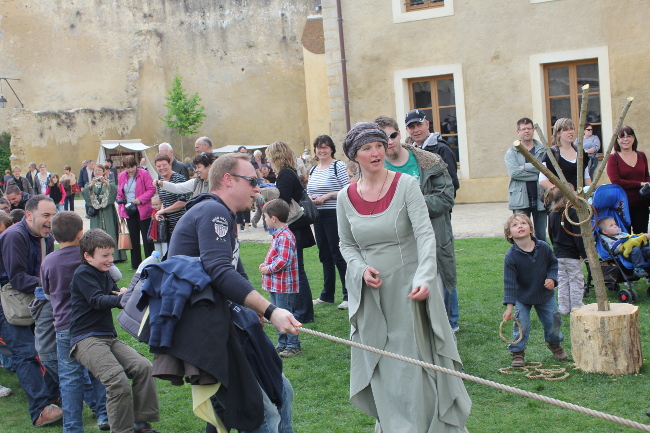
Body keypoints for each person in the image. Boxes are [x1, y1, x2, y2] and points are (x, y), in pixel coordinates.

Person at [338, 122, 470, 432]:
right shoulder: (345, 196)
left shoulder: (406, 185)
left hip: (410, 289)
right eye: (367, 148)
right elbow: (346, 244)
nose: (376, 152)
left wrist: (425, 277)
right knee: (383, 366)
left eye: (379, 146)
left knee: (413, 366)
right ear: (354, 156)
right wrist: (359, 269)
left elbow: (425, 235)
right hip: (371, 294)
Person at [167, 152, 300, 432]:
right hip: (207, 333)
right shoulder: (212, 211)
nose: (257, 188)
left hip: (221, 326)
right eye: (252, 181)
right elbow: (219, 270)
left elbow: (235, 271)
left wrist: (254, 307)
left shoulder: (221, 213)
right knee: (262, 415)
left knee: (277, 393)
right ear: (228, 180)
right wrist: (270, 309)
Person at [70, 229, 160, 433]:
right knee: (117, 381)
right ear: (87, 255)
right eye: (105, 255)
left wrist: (120, 292)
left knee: (144, 367)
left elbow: (108, 292)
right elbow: (96, 300)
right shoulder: (83, 273)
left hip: (107, 337)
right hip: (85, 339)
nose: (111, 259)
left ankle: (141, 423)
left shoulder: (103, 272)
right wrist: (121, 299)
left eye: (111, 254)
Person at [376, 115, 459, 332]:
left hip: (431, 240)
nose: (390, 141)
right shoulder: (373, 169)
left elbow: (446, 198)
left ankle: (444, 349)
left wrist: (410, 205)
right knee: (402, 307)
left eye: (392, 135)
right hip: (395, 247)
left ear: (399, 134)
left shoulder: (429, 161)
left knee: (437, 300)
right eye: (382, 139)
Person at [41, 211, 110, 432]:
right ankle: (104, 415)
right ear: (81, 234)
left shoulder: (49, 260)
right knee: (97, 371)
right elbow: (112, 277)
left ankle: (72, 428)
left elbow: (46, 290)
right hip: (92, 325)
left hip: (64, 327)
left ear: (52, 234)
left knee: (69, 379)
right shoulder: (86, 257)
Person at [0, 195, 63, 426]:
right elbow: (17, 279)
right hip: (13, 304)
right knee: (26, 354)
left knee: (47, 349)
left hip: (37, 300)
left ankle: (54, 397)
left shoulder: (45, 235)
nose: (51, 221)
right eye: (46, 215)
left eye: (53, 215)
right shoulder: (13, 236)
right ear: (28, 215)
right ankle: (40, 410)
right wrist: (52, 281)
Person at [502, 213, 567, 368]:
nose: (520, 226)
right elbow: (509, 283)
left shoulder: (544, 247)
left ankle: (554, 344)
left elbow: (553, 264)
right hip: (522, 296)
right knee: (521, 324)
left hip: (545, 295)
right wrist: (510, 307)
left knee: (553, 321)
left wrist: (552, 278)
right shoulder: (511, 256)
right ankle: (517, 352)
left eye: (524, 223)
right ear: (510, 234)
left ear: (531, 229)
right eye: (515, 225)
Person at [266, 141, 316, 323]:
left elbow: (283, 202)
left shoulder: (286, 174)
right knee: (297, 271)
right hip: (296, 228)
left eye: (269, 156)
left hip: (295, 228)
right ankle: (303, 311)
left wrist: (266, 195)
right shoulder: (288, 173)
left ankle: (303, 312)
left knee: (297, 272)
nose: (268, 160)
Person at [307, 135, 349, 310]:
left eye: (325, 146)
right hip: (318, 216)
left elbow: (347, 190)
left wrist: (328, 195)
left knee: (338, 254)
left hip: (334, 214)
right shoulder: (314, 170)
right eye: (318, 147)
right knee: (324, 254)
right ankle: (327, 295)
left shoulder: (337, 166)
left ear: (331, 148)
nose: (321, 150)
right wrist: (311, 198)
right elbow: (308, 190)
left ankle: (348, 295)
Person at [259, 199, 301, 357]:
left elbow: (283, 260)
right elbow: (275, 257)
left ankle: (293, 344)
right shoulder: (278, 235)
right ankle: (282, 343)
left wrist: (267, 269)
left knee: (286, 313)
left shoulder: (285, 236)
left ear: (273, 218)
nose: (264, 219)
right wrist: (265, 264)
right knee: (275, 314)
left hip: (284, 285)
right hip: (275, 285)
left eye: (265, 216)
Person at [505, 117, 548, 241]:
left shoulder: (543, 150)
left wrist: (524, 167)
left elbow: (547, 170)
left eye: (529, 128)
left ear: (533, 130)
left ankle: (542, 259)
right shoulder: (511, 152)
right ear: (518, 132)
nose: (526, 131)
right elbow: (514, 173)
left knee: (541, 236)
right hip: (520, 198)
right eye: (523, 129)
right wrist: (538, 174)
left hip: (540, 197)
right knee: (521, 235)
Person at [546, 187, 586, 314]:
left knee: (562, 282)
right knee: (576, 281)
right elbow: (577, 236)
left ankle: (563, 308)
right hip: (572, 255)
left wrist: (556, 249)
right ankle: (576, 306)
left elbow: (551, 234)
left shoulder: (551, 214)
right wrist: (583, 253)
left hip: (558, 255)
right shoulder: (572, 214)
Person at [404, 109, 460, 195]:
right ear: (407, 129)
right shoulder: (409, 152)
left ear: (427, 124)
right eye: (412, 127)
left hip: (436, 206)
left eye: (419, 125)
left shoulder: (442, 149)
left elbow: (451, 185)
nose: (416, 130)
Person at [606, 125, 650, 234]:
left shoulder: (641, 155)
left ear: (634, 138)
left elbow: (646, 176)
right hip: (622, 206)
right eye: (622, 137)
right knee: (625, 238)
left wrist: (647, 184)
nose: (626, 139)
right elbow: (616, 181)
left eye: (629, 136)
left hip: (642, 204)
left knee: (642, 237)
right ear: (617, 140)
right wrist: (640, 183)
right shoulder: (613, 158)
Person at [82, 164, 127, 262]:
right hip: (96, 212)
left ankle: (115, 256)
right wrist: (91, 185)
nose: (97, 172)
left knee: (110, 229)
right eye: (95, 170)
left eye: (99, 170)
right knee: (97, 231)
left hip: (108, 211)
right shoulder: (89, 184)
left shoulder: (109, 182)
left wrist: (105, 183)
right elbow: (86, 194)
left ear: (103, 171)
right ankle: (98, 254)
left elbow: (113, 191)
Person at [117, 155, 156, 270]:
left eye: (132, 166)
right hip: (130, 209)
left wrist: (140, 199)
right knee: (133, 238)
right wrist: (121, 207)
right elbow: (120, 193)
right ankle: (136, 264)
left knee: (146, 238)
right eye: (127, 167)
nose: (130, 169)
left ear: (136, 165)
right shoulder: (121, 176)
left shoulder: (143, 174)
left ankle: (150, 263)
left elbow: (151, 189)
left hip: (143, 209)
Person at [539, 118, 591, 191]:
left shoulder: (580, 152)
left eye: (572, 129)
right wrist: (562, 192)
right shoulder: (552, 154)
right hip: (560, 200)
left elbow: (586, 177)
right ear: (558, 133)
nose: (571, 132)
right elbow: (542, 181)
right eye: (566, 130)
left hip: (579, 199)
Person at [153, 154, 189, 241]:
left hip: (180, 223)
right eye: (159, 166)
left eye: (164, 165)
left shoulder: (179, 179)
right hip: (167, 225)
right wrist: (160, 213)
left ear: (170, 164)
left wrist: (163, 210)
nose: (162, 168)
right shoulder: (160, 180)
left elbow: (182, 202)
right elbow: (163, 201)